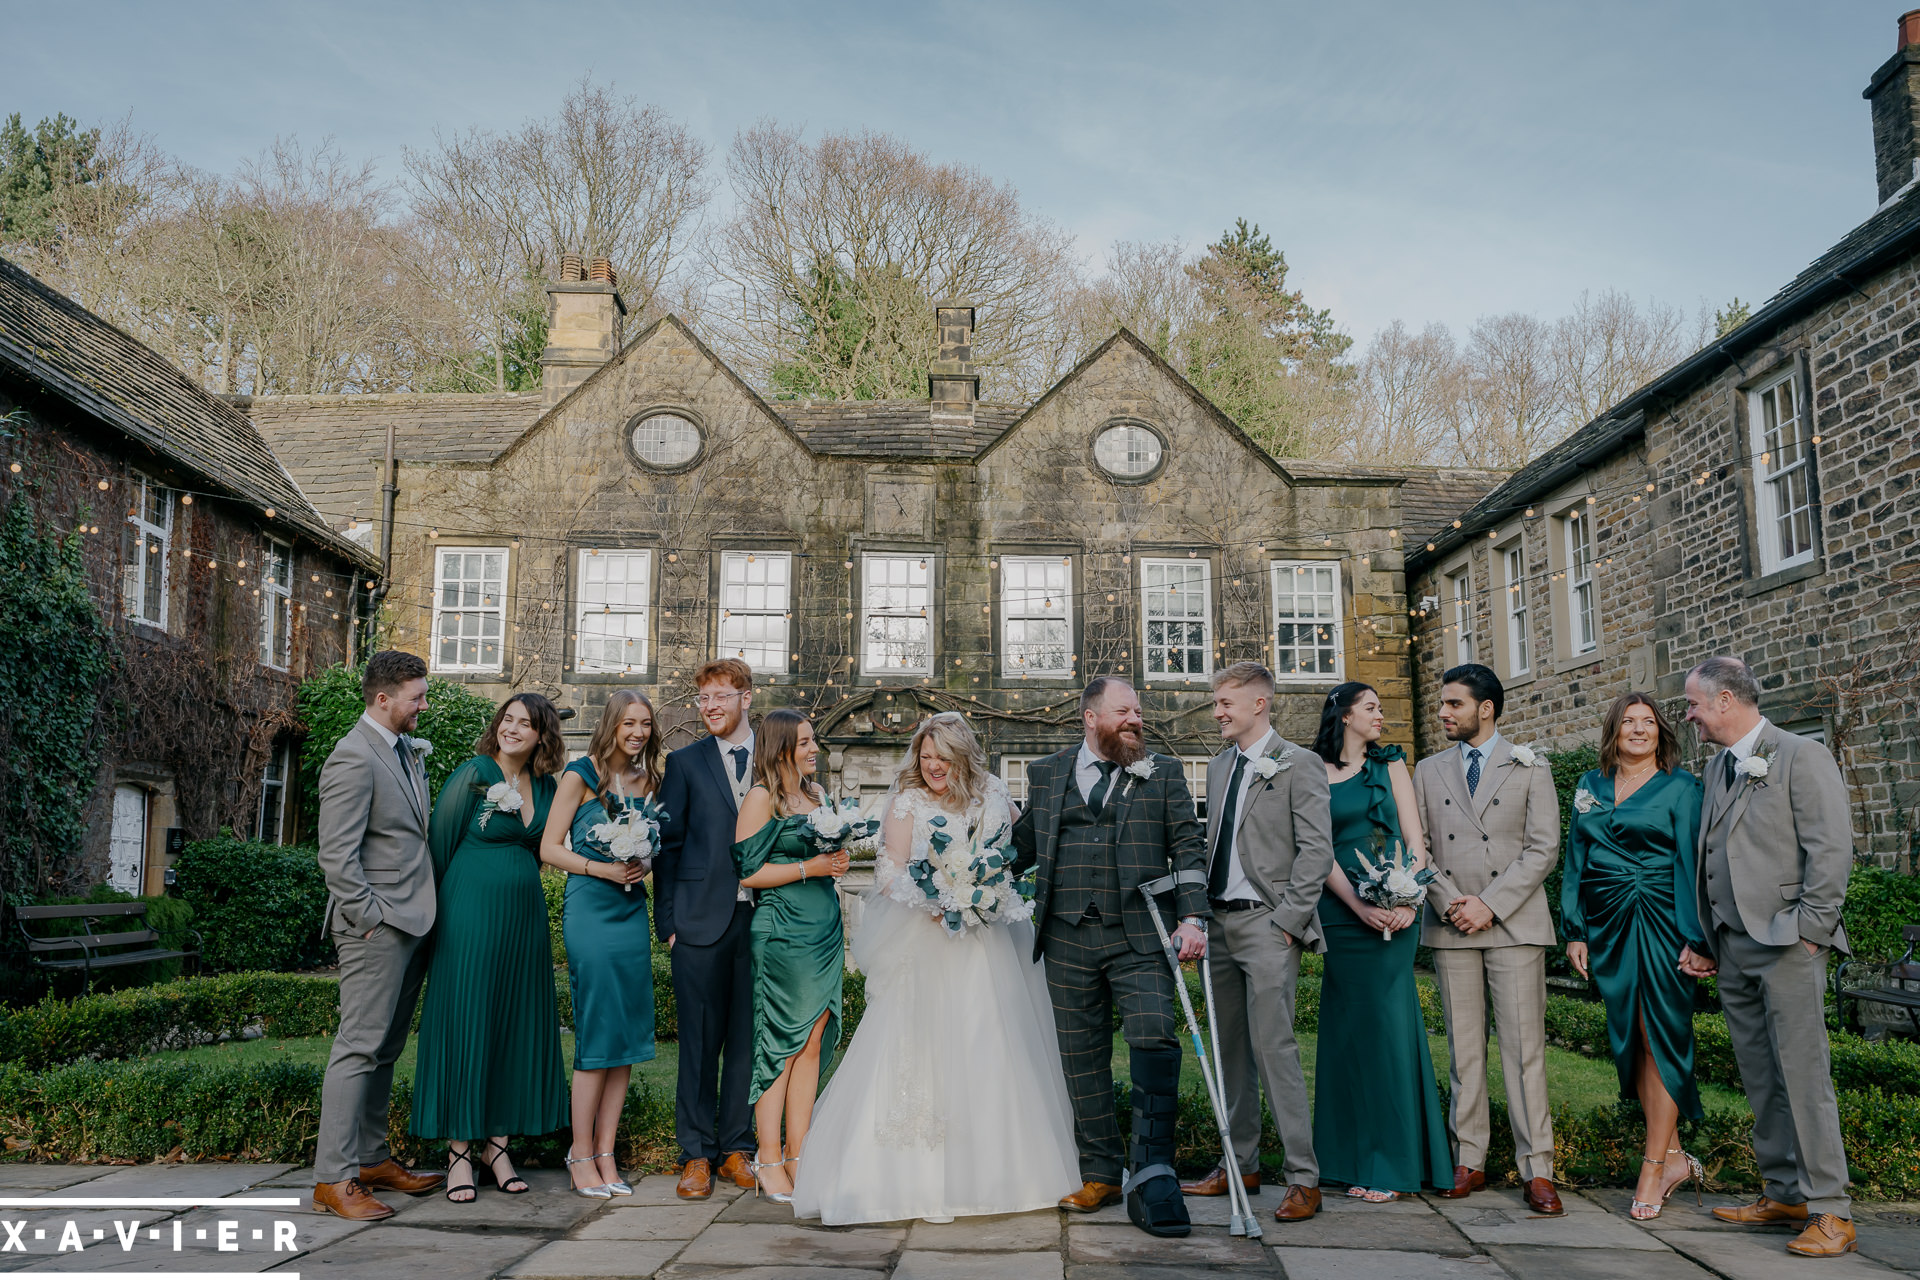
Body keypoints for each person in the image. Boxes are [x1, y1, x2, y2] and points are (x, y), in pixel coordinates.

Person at [792, 712, 1079, 1224]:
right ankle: (910, 1179)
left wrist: (984, 891)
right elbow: (889, 871)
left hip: (987, 942)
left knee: (992, 1041)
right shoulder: (907, 802)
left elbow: (1015, 853)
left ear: (962, 755)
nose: (931, 767)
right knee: (923, 1049)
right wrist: (939, 899)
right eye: (924, 757)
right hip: (929, 940)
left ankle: (1001, 1175)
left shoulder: (993, 791)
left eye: (941, 758)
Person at [1009, 677, 1208, 1239]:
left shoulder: (1163, 774)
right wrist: (964, 876)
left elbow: (1188, 848)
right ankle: (1099, 1172)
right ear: (1090, 718)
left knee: (1153, 1034)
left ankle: (1153, 1173)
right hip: (1067, 938)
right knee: (1082, 1058)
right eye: (1123, 711)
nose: (1135, 719)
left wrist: (1192, 919)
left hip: (1140, 936)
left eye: (1138, 711)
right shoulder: (1047, 774)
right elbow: (1022, 844)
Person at [1681, 656, 1856, 1258]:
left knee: (1805, 1078)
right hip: (1732, 946)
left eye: (1694, 704)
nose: (1690, 715)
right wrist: (1708, 940)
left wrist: (1810, 931)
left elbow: (1830, 850)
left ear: (1726, 700)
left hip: (1787, 944)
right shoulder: (1716, 767)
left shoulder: (1801, 756)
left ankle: (1832, 1209)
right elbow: (1713, 858)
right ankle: (1785, 1192)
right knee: (1761, 1077)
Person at [1178, 662, 1333, 1222]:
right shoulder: (1219, 767)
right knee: (1229, 1052)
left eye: (1225, 702)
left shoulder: (1301, 763)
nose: (1217, 711)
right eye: (1217, 702)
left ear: (1259, 704)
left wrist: (1288, 922)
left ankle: (1303, 1178)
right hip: (1216, 925)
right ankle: (1239, 1164)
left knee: (1276, 1050)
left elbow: (1316, 851)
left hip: (1268, 923)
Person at [1413, 663, 1562, 1215]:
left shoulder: (1531, 766)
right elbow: (1419, 849)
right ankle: (1468, 1158)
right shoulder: (1427, 771)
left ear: (1487, 708)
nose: (1444, 712)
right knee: (1464, 1050)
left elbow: (1543, 848)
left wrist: (1490, 905)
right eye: (1443, 703)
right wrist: (1453, 902)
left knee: (1525, 1052)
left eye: (1454, 704)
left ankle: (1537, 1168)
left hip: (1514, 926)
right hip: (1452, 922)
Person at [411, 693, 569, 1201]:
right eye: (508, 719)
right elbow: (439, 845)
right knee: (469, 1018)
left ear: (543, 734)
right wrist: (430, 923)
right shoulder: (475, 773)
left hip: (523, 922)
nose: (512, 728)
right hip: (469, 915)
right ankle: (459, 1150)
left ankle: (497, 1147)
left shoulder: (546, 785)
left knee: (512, 1024)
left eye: (525, 723)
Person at [311, 650, 446, 1220]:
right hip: (376, 927)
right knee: (358, 1047)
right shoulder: (351, 757)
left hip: (413, 921)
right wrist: (369, 919)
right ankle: (332, 1179)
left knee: (386, 1049)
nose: (423, 705)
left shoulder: (403, 751)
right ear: (383, 699)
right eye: (416, 697)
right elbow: (336, 856)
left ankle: (371, 1160)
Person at [1562, 693, 1707, 1220]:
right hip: (1608, 925)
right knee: (1633, 1039)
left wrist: (1697, 938)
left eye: (1649, 722)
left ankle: (1653, 1167)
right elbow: (1577, 856)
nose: (1640, 730)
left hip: (1664, 920)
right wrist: (1574, 929)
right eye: (1630, 722)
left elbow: (1693, 864)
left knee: (1661, 1035)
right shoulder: (1589, 785)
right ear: (1614, 730)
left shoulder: (1683, 787)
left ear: (1661, 733)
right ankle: (1671, 1158)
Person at [1310, 682, 1452, 1201]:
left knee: (1388, 1031)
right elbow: (1317, 849)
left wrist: (1409, 897)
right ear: (1344, 716)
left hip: (1397, 909)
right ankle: (1344, 1158)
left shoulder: (1391, 765)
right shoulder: (1313, 771)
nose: (1380, 716)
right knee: (1346, 1034)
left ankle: (1392, 1164)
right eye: (1370, 708)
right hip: (1344, 911)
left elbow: (1416, 842)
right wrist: (1358, 905)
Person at [539, 689, 661, 1199]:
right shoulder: (580, 774)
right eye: (629, 723)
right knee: (596, 1031)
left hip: (631, 908)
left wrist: (641, 864)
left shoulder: (649, 781)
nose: (638, 733)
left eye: (646, 725)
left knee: (626, 1034)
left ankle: (607, 1154)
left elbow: (654, 851)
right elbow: (548, 847)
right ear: (611, 723)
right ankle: (580, 1152)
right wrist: (602, 867)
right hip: (590, 906)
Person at [730, 709, 850, 1202]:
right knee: (780, 1044)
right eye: (805, 742)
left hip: (823, 927)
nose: (814, 748)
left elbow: (829, 857)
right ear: (781, 748)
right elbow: (748, 873)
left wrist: (836, 860)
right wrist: (812, 866)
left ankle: (801, 1154)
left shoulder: (819, 795)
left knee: (812, 1042)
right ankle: (768, 1157)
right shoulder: (762, 798)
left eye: (813, 740)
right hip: (782, 931)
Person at [655, 658, 762, 1200]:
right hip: (698, 920)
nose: (711, 706)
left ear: (747, 697)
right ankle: (695, 1155)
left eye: (721, 695)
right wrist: (668, 922)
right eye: (704, 698)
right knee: (698, 1043)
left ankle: (736, 1150)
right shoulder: (685, 762)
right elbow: (668, 846)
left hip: (764, 919)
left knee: (747, 1039)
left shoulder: (774, 757)